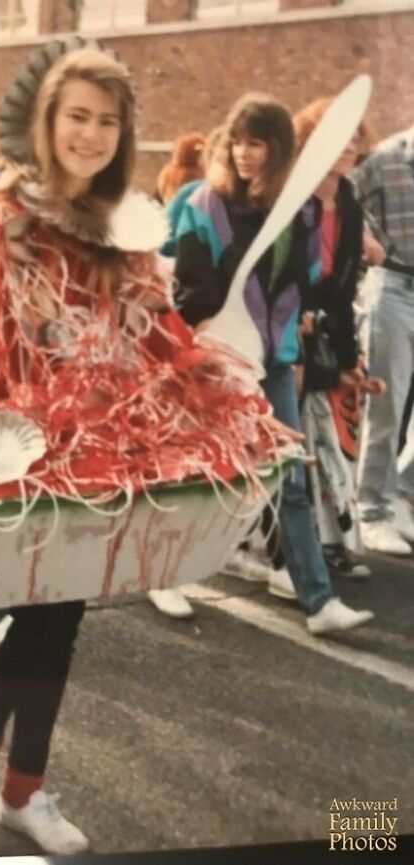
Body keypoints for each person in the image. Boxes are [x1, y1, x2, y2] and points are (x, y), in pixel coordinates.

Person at [0, 44, 298, 853]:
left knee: (61, 616)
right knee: (40, 613)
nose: (91, 133)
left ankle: (21, 786)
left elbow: (160, 335)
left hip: (99, 449)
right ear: (46, 122)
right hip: (14, 452)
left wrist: (213, 376)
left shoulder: (126, 230)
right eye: (77, 115)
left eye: (108, 120)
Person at [173, 92, 374, 636]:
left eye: (256, 142)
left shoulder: (300, 210)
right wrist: (213, 333)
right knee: (194, 470)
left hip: (277, 360)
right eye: (236, 140)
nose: (242, 153)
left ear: (278, 148)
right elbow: (192, 287)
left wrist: (304, 333)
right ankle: (165, 574)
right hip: (220, 361)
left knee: (289, 477)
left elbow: (310, 281)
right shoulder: (205, 204)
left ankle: (318, 601)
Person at [292, 97, 383, 578]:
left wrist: (350, 359)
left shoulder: (347, 199)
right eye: (338, 136)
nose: (349, 146)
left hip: (329, 325)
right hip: (290, 326)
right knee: (295, 437)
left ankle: (333, 542)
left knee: (333, 437)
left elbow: (345, 286)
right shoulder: (295, 195)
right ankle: (287, 548)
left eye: (354, 138)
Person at [351, 123, 414, 554]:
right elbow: (340, 197)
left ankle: (402, 495)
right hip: (393, 285)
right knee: (387, 404)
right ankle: (372, 510)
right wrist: (365, 237)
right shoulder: (387, 158)